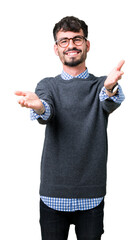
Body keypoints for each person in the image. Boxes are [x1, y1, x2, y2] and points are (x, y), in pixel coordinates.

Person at [15, 16, 125, 240]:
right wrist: (38, 106)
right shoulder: (47, 85)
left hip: (91, 196)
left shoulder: (100, 85)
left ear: (87, 44)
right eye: (64, 41)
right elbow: (46, 109)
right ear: (56, 49)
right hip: (53, 194)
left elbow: (109, 99)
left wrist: (110, 87)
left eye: (77, 39)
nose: (71, 45)